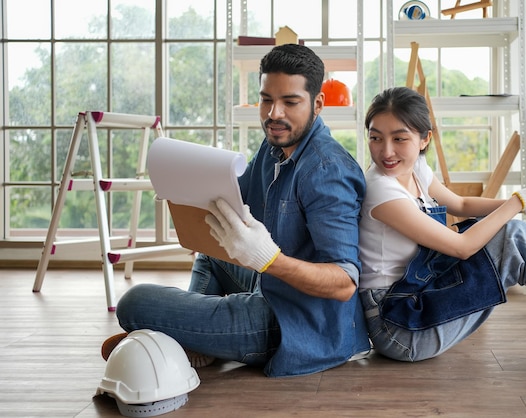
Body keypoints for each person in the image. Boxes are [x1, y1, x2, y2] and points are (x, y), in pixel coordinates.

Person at [102, 44, 371, 377]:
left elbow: (344, 283)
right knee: (211, 255)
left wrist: (270, 259)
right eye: (267, 100)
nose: (274, 114)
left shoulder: (327, 170)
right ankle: (194, 340)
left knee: (134, 302)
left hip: (297, 325)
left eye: (290, 102)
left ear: (317, 104)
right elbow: (236, 198)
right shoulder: (276, 143)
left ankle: (184, 335)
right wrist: (184, 191)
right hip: (271, 287)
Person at [358, 86, 526, 363]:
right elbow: (461, 247)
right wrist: (519, 202)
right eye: (376, 138)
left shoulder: (415, 169)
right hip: (398, 324)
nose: (386, 151)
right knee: (512, 236)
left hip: (420, 294)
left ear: (424, 140)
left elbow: (461, 205)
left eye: (399, 138)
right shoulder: (381, 191)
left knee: (510, 233)